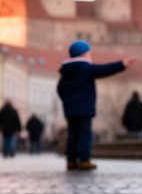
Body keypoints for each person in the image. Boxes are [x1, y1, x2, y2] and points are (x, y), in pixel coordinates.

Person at [56, 40, 134, 171]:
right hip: (84, 108)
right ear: (83, 54)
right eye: (89, 53)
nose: (90, 55)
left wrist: (67, 100)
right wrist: (122, 64)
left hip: (70, 109)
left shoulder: (66, 71)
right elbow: (104, 69)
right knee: (85, 134)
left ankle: (71, 160)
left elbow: (60, 89)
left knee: (73, 134)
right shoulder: (85, 68)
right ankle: (84, 160)